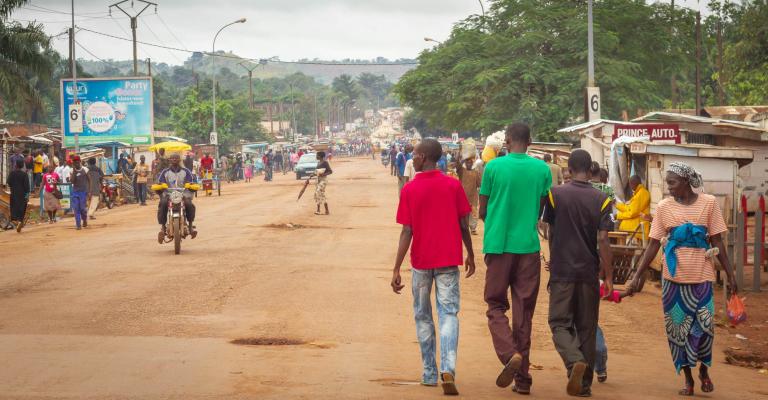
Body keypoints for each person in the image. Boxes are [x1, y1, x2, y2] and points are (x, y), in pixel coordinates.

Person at [628, 162, 737, 397]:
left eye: (672, 183)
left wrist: (731, 274)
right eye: (668, 183)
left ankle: (704, 371)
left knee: (705, 328)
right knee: (678, 332)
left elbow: (718, 241)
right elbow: (653, 243)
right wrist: (638, 275)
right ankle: (688, 379)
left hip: (701, 278)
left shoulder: (708, 203)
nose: (669, 188)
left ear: (686, 182)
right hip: (673, 280)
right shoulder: (665, 207)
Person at [391, 138, 476, 396]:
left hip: (420, 263)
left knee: (422, 315)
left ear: (424, 157)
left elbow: (407, 231)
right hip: (449, 261)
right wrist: (470, 253)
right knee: (449, 313)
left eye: (415, 154)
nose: (412, 158)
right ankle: (448, 368)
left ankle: (429, 372)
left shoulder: (410, 190)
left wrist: (396, 268)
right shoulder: (453, 185)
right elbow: (464, 224)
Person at [479, 123, 552, 395]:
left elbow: (483, 209)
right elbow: (543, 208)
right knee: (524, 313)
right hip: (529, 248)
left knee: (495, 305)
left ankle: (509, 354)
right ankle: (522, 380)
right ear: (530, 141)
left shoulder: (493, 168)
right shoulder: (542, 170)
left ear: (507, 141)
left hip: (498, 246)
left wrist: (498, 220)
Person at [542, 149, 614, 397]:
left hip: (562, 270)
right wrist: (609, 275)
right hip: (589, 272)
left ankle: (574, 362)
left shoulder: (555, 195)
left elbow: (550, 231)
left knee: (559, 323)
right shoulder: (602, 199)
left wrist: (554, 260)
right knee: (587, 327)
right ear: (590, 169)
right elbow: (603, 240)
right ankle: (584, 385)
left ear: (569, 170)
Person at [157, 153, 197, 242]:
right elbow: (160, 181)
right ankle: (163, 228)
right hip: (169, 195)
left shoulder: (186, 171)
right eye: (172, 158)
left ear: (179, 160)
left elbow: (191, 181)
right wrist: (160, 185)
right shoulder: (165, 172)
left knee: (189, 204)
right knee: (162, 204)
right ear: (169, 160)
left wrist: (190, 184)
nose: (174, 160)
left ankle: (190, 226)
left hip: (183, 194)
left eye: (176, 158)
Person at [457, 156, 482, 235]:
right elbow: (458, 167)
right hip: (463, 196)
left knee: (473, 212)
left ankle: (473, 228)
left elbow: (479, 184)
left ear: (472, 164)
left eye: (470, 163)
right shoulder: (462, 171)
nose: (469, 164)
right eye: (467, 162)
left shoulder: (475, 172)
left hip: (473, 196)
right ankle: (463, 227)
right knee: (464, 212)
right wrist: (462, 158)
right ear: (465, 163)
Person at [7, 160, 30, 232]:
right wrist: (27, 196)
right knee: (22, 208)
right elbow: (27, 187)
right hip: (22, 195)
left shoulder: (12, 173)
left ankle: (16, 221)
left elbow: (9, 183)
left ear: (16, 165)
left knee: (14, 208)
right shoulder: (24, 174)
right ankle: (20, 221)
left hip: (14, 194)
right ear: (22, 166)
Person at [69, 155, 90, 230]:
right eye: (75, 163)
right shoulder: (71, 171)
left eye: (77, 163)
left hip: (83, 192)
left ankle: (84, 220)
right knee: (76, 209)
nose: (76, 164)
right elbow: (72, 181)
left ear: (80, 162)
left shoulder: (85, 169)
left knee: (82, 209)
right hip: (75, 192)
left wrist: (89, 191)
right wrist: (74, 172)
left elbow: (89, 180)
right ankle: (78, 225)